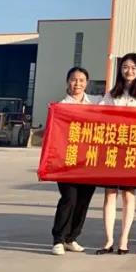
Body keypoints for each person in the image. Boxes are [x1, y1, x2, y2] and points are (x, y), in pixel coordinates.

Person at [97, 53, 136, 255]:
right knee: (110, 194)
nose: (129, 71)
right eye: (126, 67)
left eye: (134, 68)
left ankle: (124, 240)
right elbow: (99, 115)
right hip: (113, 148)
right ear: (120, 70)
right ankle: (108, 240)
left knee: (128, 195)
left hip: (132, 149)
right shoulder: (112, 94)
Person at [51, 66, 97, 255]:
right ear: (67, 82)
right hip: (67, 161)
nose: (77, 83)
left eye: (81, 80)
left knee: (84, 201)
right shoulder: (60, 107)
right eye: (74, 79)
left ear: (87, 83)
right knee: (69, 199)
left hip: (89, 160)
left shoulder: (96, 103)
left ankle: (71, 238)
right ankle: (58, 239)